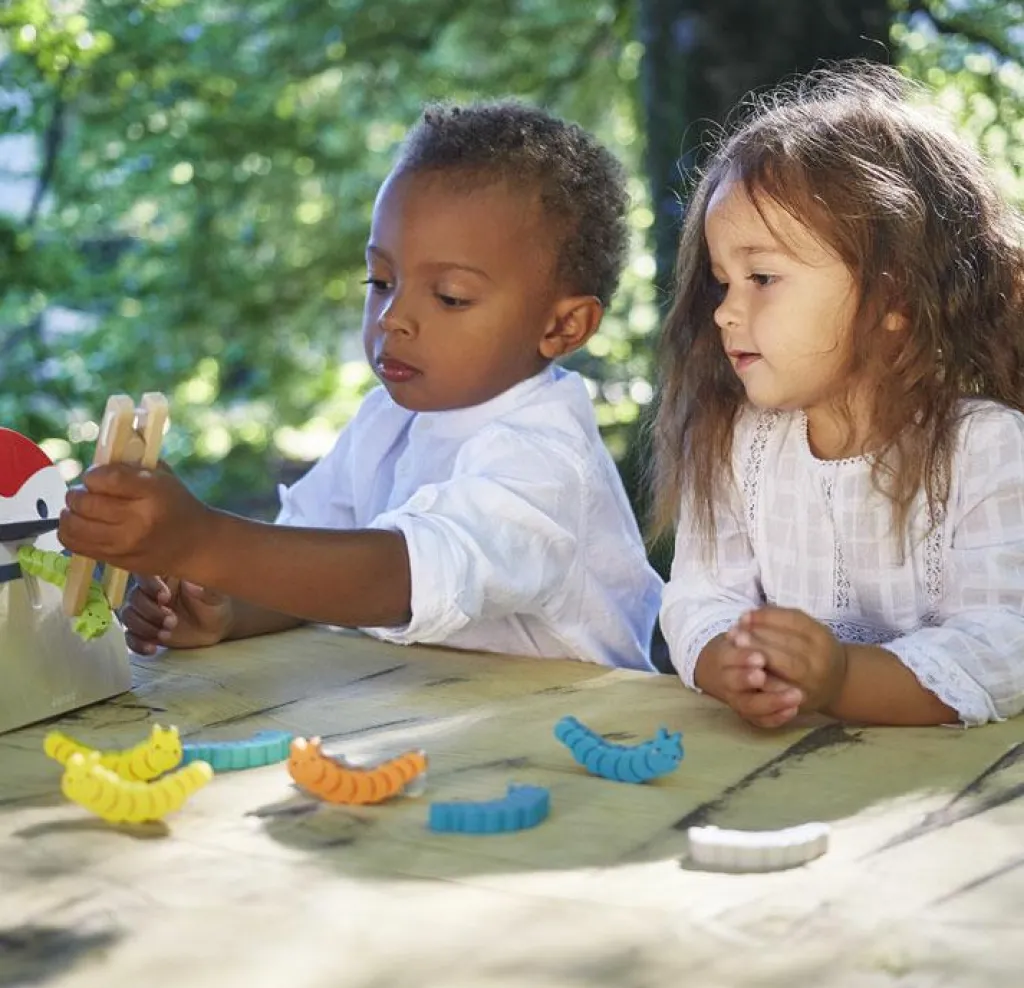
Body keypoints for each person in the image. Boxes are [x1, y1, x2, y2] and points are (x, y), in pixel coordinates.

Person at [59, 101, 663, 671]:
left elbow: (399, 578)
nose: (393, 317)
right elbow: (307, 564)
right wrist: (227, 608)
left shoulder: (547, 462)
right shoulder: (386, 420)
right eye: (380, 281)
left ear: (563, 326)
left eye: (450, 296)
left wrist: (202, 542)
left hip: (581, 736)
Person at [653, 61, 1024, 727]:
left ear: (893, 296)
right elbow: (699, 596)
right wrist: (726, 659)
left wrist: (843, 678)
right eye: (722, 282)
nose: (725, 312)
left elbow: (1005, 644)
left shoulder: (985, 448)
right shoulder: (738, 441)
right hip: (784, 768)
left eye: (762, 277)